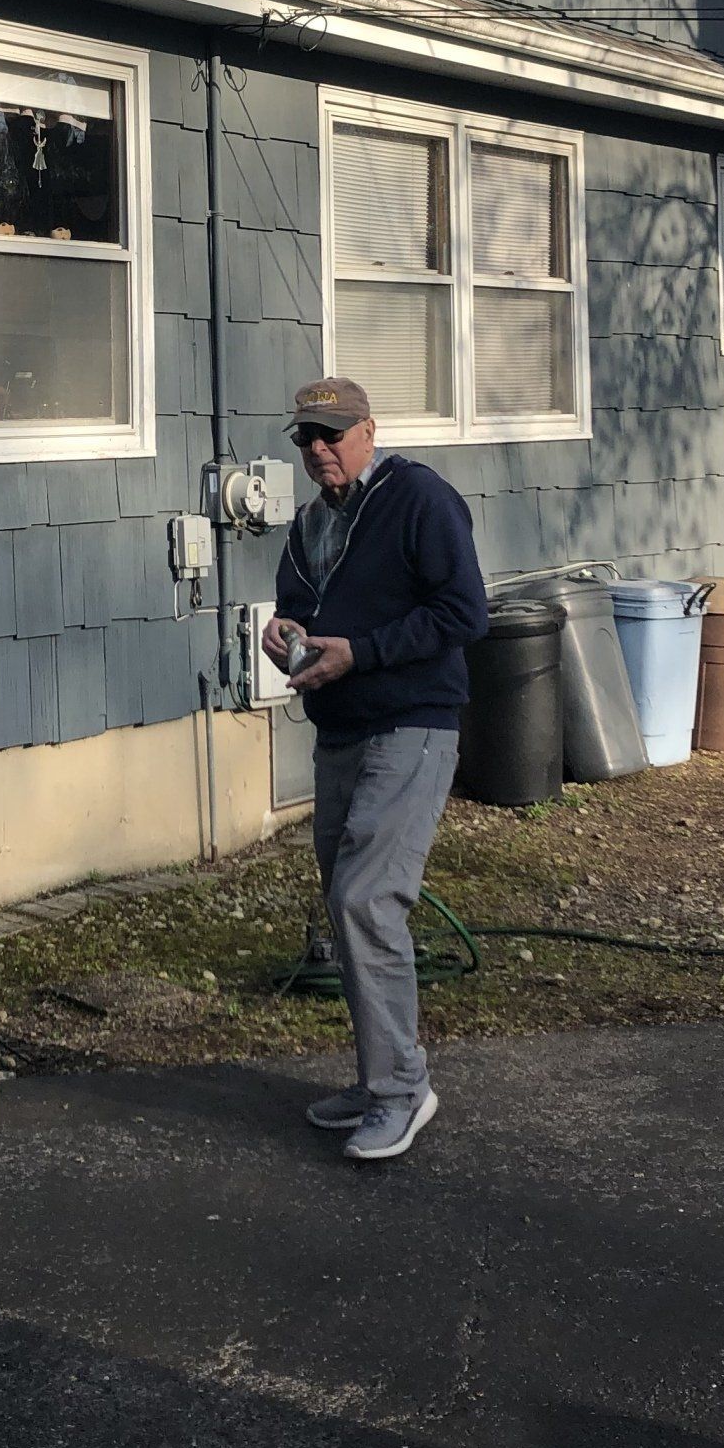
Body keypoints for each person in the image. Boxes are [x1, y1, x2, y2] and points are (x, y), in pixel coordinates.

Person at [264, 378, 487, 1163]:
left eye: (332, 434)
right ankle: (378, 1075)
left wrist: (361, 652)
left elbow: (465, 612)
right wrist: (288, 633)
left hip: (413, 724)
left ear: (368, 430)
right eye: (305, 438)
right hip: (341, 733)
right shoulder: (309, 527)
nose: (318, 450)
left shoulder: (419, 499)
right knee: (347, 903)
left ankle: (401, 1093)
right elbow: (302, 605)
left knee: (366, 899)